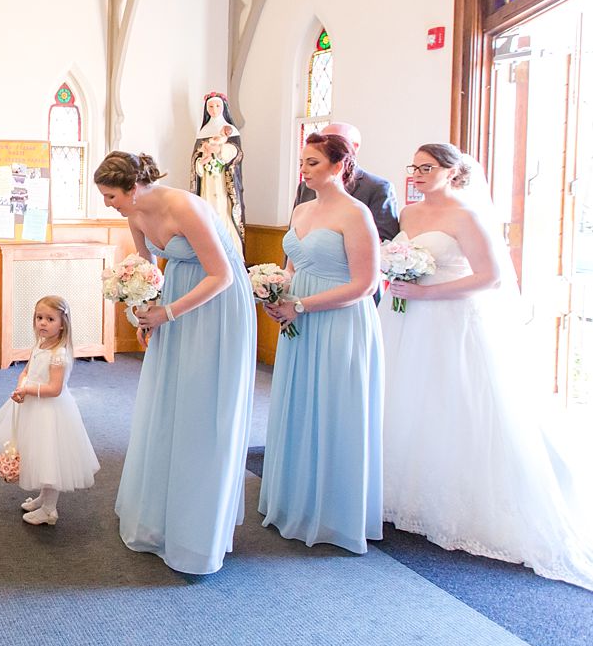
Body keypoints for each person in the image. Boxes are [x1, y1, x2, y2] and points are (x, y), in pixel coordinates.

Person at [380, 144, 593, 611]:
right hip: (407, 319)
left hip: (450, 321)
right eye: (413, 166)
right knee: (407, 400)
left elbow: (491, 277)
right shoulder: (410, 215)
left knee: (455, 404)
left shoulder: (467, 216)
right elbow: (402, 259)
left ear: (454, 173)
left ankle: (461, 504)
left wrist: (427, 292)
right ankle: (404, 494)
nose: (416, 173)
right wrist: (398, 279)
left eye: (426, 167)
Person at [94, 151, 257, 574]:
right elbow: (146, 268)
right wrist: (142, 311)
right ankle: (160, 513)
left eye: (111, 196)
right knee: (169, 401)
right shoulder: (135, 215)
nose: (108, 203)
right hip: (176, 299)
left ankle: (199, 526)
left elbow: (221, 274)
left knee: (202, 406)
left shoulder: (184, 205)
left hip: (216, 303)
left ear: (134, 188)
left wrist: (168, 312)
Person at [260, 132, 384, 554]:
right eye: (303, 162)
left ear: (338, 165)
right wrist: (276, 292)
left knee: (333, 407)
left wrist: (303, 305)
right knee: (300, 404)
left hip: (338, 321)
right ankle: (297, 499)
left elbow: (366, 284)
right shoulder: (301, 208)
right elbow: (292, 267)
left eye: (313, 162)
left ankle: (333, 512)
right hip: (299, 317)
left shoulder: (356, 214)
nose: (304, 169)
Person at [0, 295, 99, 526]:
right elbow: (27, 370)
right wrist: (20, 384)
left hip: (50, 411)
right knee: (38, 454)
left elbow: (55, 389)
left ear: (62, 324)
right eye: (39, 318)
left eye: (50, 319)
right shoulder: (40, 345)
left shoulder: (59, 354)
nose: (43, 323)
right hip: (33, 404)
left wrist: (28, 389)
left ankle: (49, 510)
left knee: (49, 457)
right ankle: (43, 499)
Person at [293, 121, 399, 242]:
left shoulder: (377, 188)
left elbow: (385, 244)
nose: (322, 145)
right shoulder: (305, 187)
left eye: (333, 141)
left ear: (353, 146)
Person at [188, 93, 246, 255]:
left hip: (223, 183)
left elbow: (237, 153)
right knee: (207, 211)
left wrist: (220, 151)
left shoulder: (230, 130)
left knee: (223, 211)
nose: (214, 110)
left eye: (217, 106)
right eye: (211, 107)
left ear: (224, 108)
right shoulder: (203, 132)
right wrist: (202, 161)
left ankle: (230, 252)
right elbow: (195, 160)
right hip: (206, 182)